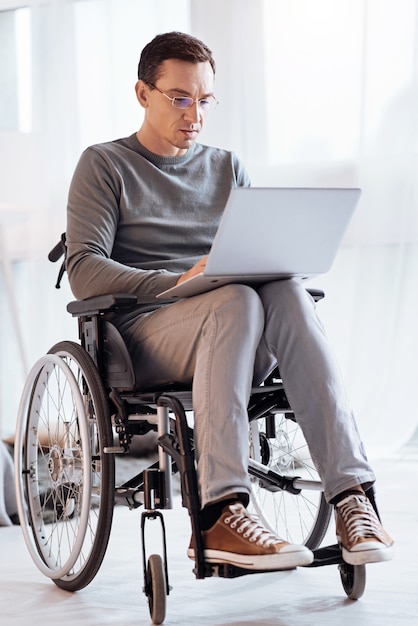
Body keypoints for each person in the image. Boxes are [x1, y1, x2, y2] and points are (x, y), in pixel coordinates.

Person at [66, 31, 393, 571]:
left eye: (204, 100)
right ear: (142, 94)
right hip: (146, 335)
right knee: (236, 299)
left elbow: (251, 255)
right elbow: (84, 270)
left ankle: (352, 495)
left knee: (284, 289)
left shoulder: (226, 166)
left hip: (233, 325)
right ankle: (221, 511)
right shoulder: (105, 165)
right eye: (179, 97)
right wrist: (179, 280)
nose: (194, 113)